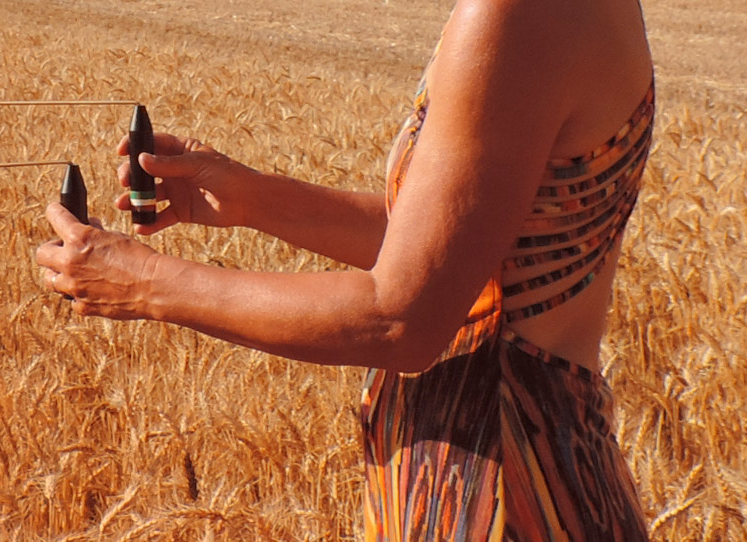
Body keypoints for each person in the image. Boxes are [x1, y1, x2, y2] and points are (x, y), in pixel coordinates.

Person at [34, 0, 654, 539]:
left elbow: (402, 317)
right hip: (521, 468)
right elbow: (456, 248)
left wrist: (144, 282)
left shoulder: (514, 18)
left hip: (500, 489)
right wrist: (249, 196)